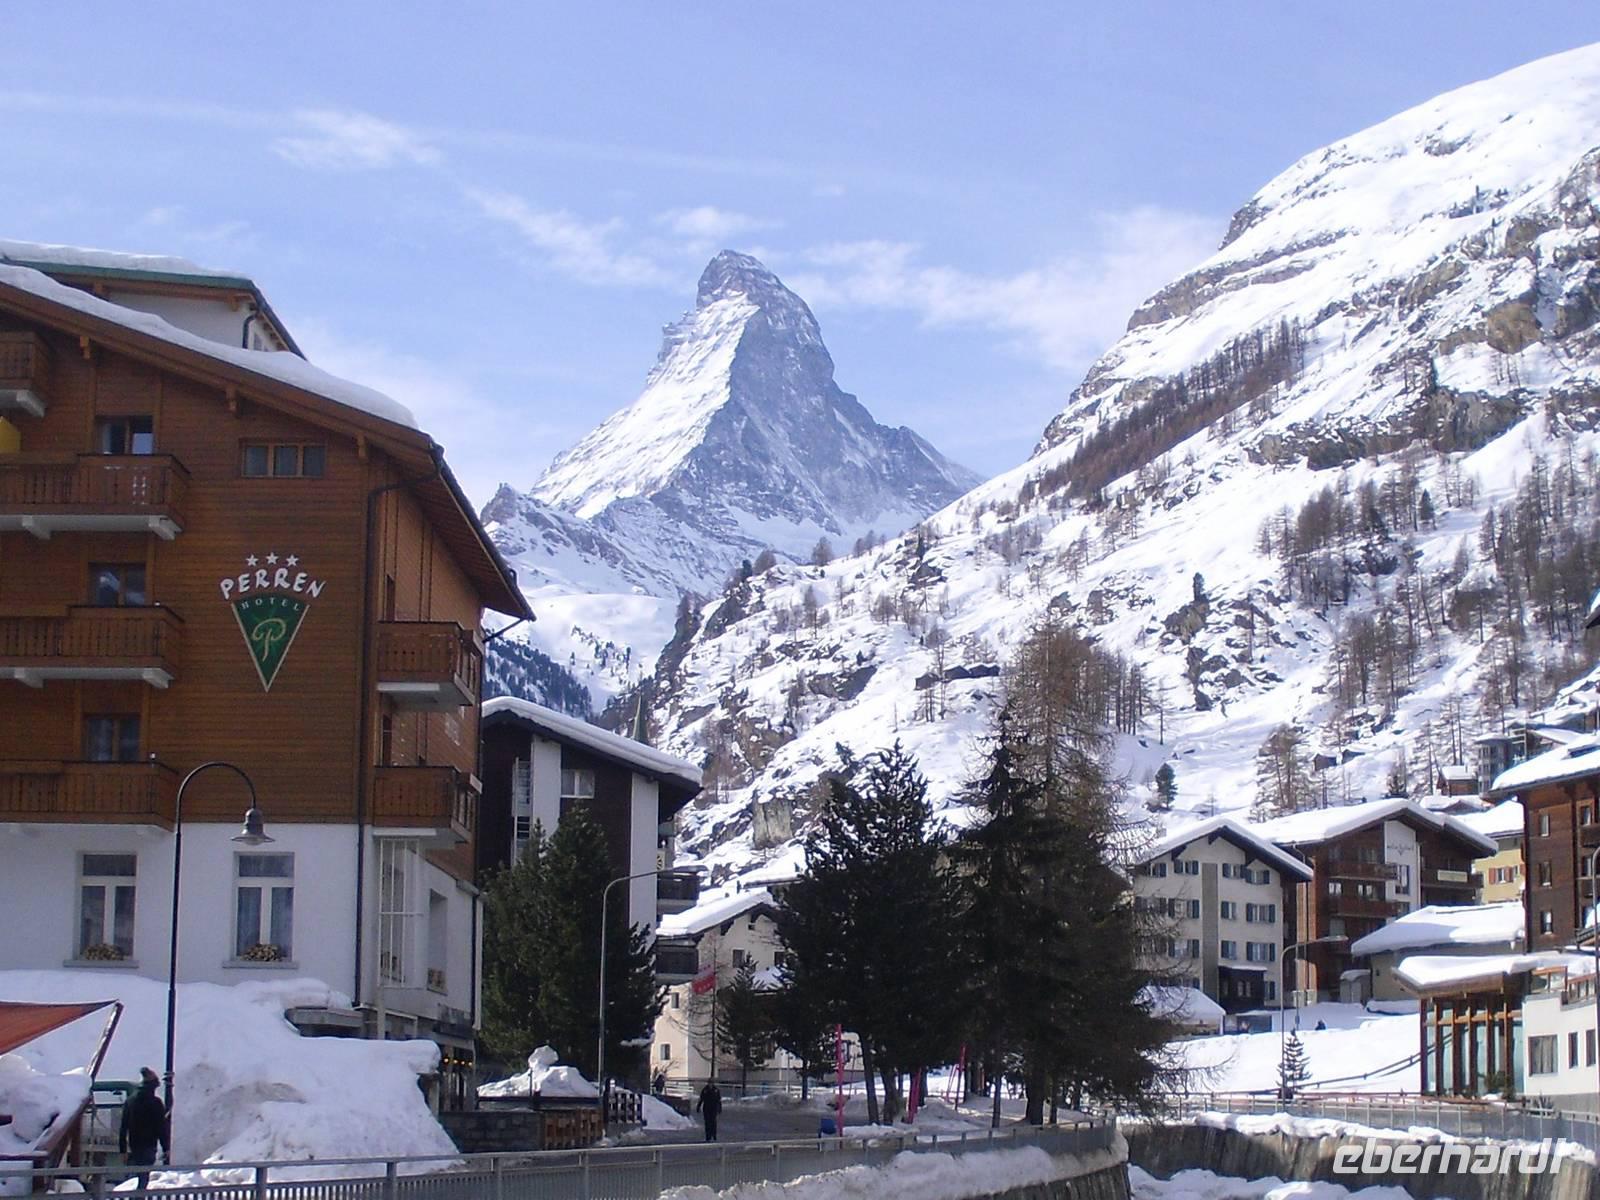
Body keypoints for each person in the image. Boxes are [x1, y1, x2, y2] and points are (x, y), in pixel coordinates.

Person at [120, 1067, 169, 1182]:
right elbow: (161, 1128)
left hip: (133, 1145)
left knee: (132, 1178)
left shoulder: (130, 1101)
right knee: (143, 1178)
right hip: (149, 1145)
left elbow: (123, 1127)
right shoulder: (156, 1103)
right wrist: (165, 1147)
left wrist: (122, 1150)